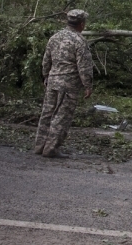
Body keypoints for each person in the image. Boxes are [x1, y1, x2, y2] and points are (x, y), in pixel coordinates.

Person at [34, 9, 93, 158]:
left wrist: (46, 76)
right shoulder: (79, 41)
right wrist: (88, 85)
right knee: (61, 117)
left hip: (53, 81)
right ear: (81, 24)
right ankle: (51, 149)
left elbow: (46, 60)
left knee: (47, 114)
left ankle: (40, 145)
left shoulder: (55, 37)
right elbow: (84, 66)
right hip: (69, 84)